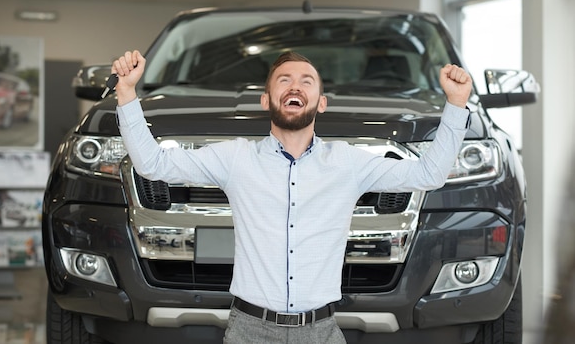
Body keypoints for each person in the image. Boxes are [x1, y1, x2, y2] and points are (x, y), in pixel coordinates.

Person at [113, 50, 473, 344]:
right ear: (266, 99)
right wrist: (127, 93)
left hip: (322, 332)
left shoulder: (347, 162)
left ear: (322, 102)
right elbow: (153, 163)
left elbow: (428, 174)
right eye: (284, 80)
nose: (294, 86)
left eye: (306, 81)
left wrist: (456, 105)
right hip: (248, 332)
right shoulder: (236, 159)